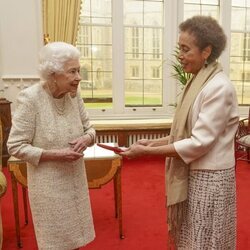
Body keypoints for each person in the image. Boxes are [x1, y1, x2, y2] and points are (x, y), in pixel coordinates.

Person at [121, 16, 239, 250]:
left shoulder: (218, 87)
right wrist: (152, 143)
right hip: (195, 174)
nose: (180, 56)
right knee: (192, 239)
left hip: (211, 180)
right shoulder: (198, 81)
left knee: (206, 242)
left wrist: (146, 153)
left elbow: (198, 143)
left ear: (206, 51)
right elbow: (186, 135)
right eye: (179, 49)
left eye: (186, 50)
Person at [7, 42, 96, 250]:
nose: (78, 77)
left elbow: (90, 128)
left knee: (76, 242)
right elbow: (15, 146)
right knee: (56, 244)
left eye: (79, 70)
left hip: (76, 183)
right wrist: (55, 154)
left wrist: (87, 138)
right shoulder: (30, 99)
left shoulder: (74, 95)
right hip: (49, 189)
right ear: (53, 73)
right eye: (72, 71)